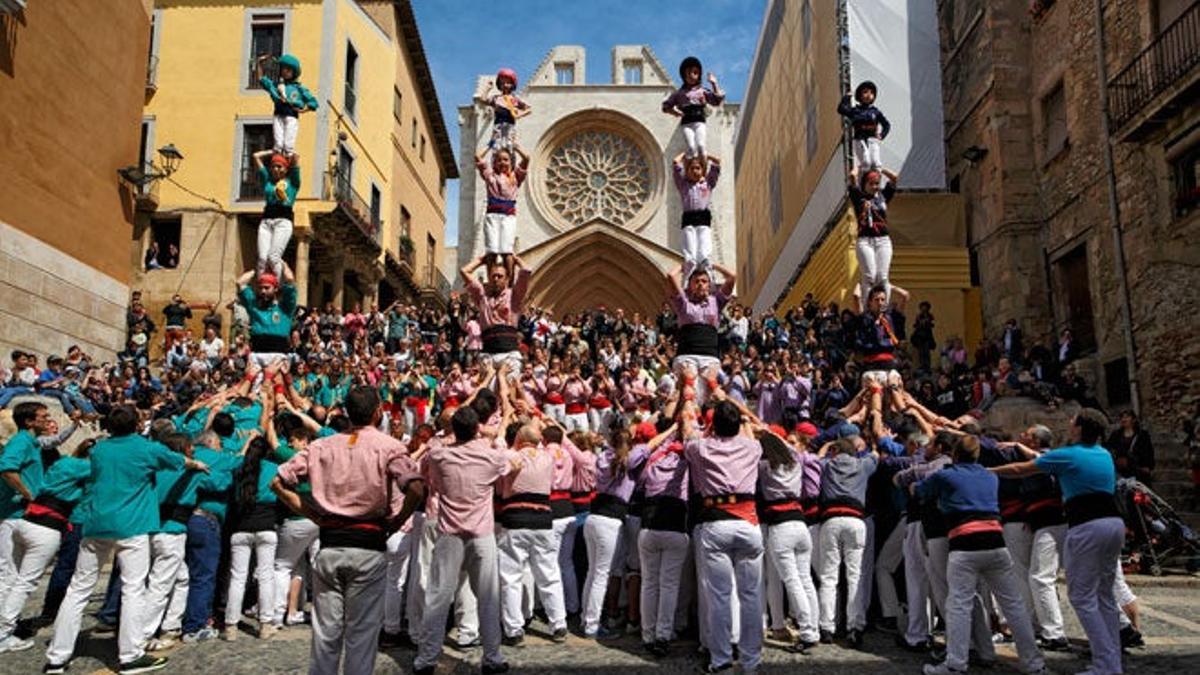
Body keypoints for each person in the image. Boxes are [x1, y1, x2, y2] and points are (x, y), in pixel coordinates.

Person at [44, 405, 208, 675]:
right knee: (134, 589)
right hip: (133, 526)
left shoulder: (99, 450)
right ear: (136, 425)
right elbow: (178, 460)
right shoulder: (147, 448)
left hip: (97, 523)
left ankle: (57, 658)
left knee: (78, 590)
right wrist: (196, 464)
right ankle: (130, 655)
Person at [273, 386, 424, 675]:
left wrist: (313, 514)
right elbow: (416, 487)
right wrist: (395, 521)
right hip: (368, 545)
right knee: (361, 635)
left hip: (330, 544)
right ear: (378, 411)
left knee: (326, 636)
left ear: (345, 411)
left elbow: (278, 482)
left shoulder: (321, 447)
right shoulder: (388, 446)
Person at [992, 409, 1127, 675]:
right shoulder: (1104, 454)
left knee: (1082, 596)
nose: (1069, 423)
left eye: (1073, 421)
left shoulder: (1068, 454)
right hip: (1113, 523)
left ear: (1079, 428)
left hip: (1086, 525)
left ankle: (1105, 664)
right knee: (1104, 595)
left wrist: (986, 470)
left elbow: (1022, 468)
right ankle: (1112, 663)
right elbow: (1037, 457)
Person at [917, 434, 1046, 675]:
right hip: (996, 542)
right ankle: (1034, 663)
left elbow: (922, 490)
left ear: (955, 455)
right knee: (1014, 606)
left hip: (964, 544)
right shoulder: (990, 476)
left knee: (959, 605)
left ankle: (956, 663)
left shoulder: (946, 475)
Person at [412, 405, 520, 675]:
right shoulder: (490, 457)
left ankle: (426, 659)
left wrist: (449, 437)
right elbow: (513, 462)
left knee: (438, 596)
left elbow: (428, 463)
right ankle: (492, 657)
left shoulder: (440, 456)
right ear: (476, 429)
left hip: (449, 532)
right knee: (488, 596)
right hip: (481, 533)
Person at [681, 398, 764, 674]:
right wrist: (741, 418)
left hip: (715, 522)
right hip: (749, 522)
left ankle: (721, 659)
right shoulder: (753, 447)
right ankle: (751, 660)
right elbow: (751, 428)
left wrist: (707, 426)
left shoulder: (701, 447)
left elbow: (689, 432)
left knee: (719, 596)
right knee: (751, 596)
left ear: (714, 425)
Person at [666, 262, 736, 405]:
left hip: (710, 356)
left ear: (709, 285)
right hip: (687, 355)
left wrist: (712, 265)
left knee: (714, 397)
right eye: (696, 281)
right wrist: (684, 266)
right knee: (687, 395)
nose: (700, 284)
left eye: (704, 281)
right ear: (690, 285)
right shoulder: (683, 303)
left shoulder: (715, 301)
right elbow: (671, 276)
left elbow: (732, 277)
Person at [461, 254, 531, 376]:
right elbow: (464, 271)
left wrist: (514, 258)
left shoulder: (514, 296)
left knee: (508, 391)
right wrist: (481, 260)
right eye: (493, 276)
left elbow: (526, 271)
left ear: (507, 279)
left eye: (500, 276)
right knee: (487, 393)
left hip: (509, 354)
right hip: (488, 354)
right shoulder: (482, 296)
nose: (496, 279)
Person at [848, 168, 900, 308]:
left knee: (882, 277)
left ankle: (883, 308)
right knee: (870, 276)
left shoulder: (883, 196)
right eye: (871, 183)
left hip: (883, 240)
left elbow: (894, 178)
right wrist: (862, 166)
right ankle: (868, 308)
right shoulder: (858, 196)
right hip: (865, 240)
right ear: (864, 184)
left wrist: (880, 169)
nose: (874, 186)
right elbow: (852, 176)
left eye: (877, 183)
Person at [474, 144, 530, 273]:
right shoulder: (490, 175)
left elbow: (526, 159)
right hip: (492, 215)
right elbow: (477, 157)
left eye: (505, 159)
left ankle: (508, 283)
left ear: (511, 162)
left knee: (507, 251)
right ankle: (492, 281)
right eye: (499, 160)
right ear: (494, 163)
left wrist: (516, 148)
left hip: (508, 216)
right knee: (491, 251)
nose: (502, 162)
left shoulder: (516, 177)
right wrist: (489, 146)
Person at [662, 56, 724, 163]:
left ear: (699, 75)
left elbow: (717, 100)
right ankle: (689, 169)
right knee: (691, 147)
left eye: (695, 73)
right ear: (684, 75)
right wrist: (674, 112)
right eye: (688, 73)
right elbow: (666, 106)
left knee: (701, 146)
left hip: (699, 122)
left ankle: (702, 173)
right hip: (686, 123)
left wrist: (714, 84)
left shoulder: (702, 91)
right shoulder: (679, 93)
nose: (691, 76)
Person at [236, 263, 298, 370]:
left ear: (275, 289)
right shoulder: (254, 306)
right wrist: (257, 269)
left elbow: (290, 280)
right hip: (256, 355)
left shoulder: (285, 308)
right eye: (260, 288)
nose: (263, 291)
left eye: (267, 288)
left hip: (278, 356)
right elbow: (240, 282)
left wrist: (282, 263)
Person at [672, 151, 721, 281]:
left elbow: (717, 162)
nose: (695, 171)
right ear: (687, 171)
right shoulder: (683, 185)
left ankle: (709, 276)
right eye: (691, 168)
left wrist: (704, 155)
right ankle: (688, 279)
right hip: (688, 217)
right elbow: (676, 163)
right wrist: (684, 154)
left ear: (702, 170)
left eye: (698, 168)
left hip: (703, 216)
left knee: (703, 252)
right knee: (690, 254)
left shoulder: (708, 184)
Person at [251, 150, 301, 277]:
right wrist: (272, 151)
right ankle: (262, 287)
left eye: (279, 166)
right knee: (262, 258)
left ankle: (275, 286)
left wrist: (288, 153)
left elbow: (296, 158)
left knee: (273, 257)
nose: (275, 169)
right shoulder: (267, 180)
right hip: (266, 221)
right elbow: (256, 156)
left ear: (286, 168)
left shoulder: (293, 182)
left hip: (283, 221)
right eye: (273, 166)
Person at [257, 53, 317, 156]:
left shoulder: (299, 88)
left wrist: (303, 110)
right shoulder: (275, 86)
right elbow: (262, 79)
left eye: (288, 69)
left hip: (291, 115)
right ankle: (277, 161)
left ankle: (289, 161)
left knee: (288, 145)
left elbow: (313, 103)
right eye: (283, 69)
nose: (285, 71)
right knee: (278, 145)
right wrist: (259, 63)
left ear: (293, 72)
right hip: (278, 114)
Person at [837, 80, 890, 174]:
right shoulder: (855, 111)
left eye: (871, 93)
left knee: (876, 164)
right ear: (860, 96)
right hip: (859, 139)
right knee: (866, 162)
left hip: (872, 139)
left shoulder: (875, 112)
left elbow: (886, 124)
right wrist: (847, 97)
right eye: (865, 92)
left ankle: (875, 185)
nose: (869, 95)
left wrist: (882, 135)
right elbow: (841, 109)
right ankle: (861, 183)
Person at [479, 68, 531, 151]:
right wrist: (488, 88)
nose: (505, 85)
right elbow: (483, 99)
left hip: (510, 128)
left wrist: (520, 115)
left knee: (510, 147)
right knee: (496, 148)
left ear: (512, 84)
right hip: (497, 128)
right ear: (499, 84)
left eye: (508, 83)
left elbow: (528, 109)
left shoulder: (514, 99)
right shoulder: (496, 98)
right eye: (502, 83)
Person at [1106, 410, 1155, 485]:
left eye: (1127, 417)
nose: (1124, 419)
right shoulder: (1116, 435)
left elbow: (1149, 451)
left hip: (1138, 470)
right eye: (1122, 417)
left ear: (1133, 419)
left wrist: (1148, 466)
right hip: (1121, 471)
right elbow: (1109, 448)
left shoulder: (1142, 435)